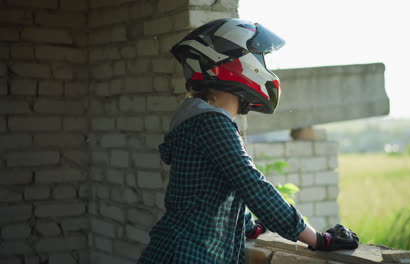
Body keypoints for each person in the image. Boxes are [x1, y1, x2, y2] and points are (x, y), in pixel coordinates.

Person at [137, 18, 359, 264]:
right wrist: (317, 239)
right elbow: (251, 184)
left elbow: (215, 186)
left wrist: (247, 226)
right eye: (260, 57)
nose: (264, 65)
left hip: (175, 250)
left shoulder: (199, 120)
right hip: (188, 255)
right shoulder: (211, 123)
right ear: (235, 62)